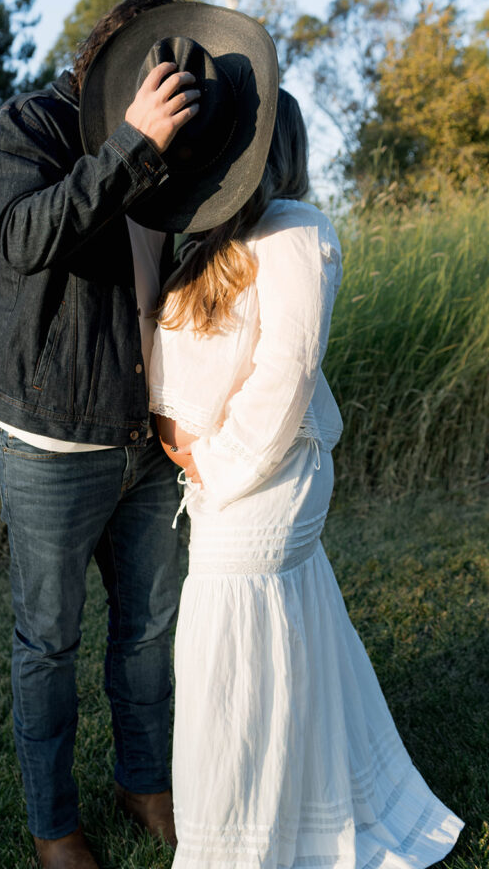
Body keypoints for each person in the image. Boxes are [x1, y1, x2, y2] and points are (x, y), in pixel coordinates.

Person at [0, 0, 280, 869]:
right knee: (48, 640)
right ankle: (53, 825)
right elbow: (22, 238)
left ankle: (145, 783)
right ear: (113, 60)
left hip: (150, 436)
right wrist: (130, 143)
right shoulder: (23, 129)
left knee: (146, 633)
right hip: (53, 439)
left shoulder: (180, 135)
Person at [149, 89, 465, 868]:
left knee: (232, 647)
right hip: (219, 485)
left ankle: (240, 848)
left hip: (254, 482)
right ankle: (290, 811)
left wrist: (205, 459)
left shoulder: (294, 231)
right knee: (247, 641)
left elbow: (285, 373)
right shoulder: (216, 234)